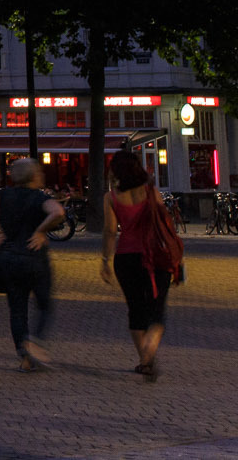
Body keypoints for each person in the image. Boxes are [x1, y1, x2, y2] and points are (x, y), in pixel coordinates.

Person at [0, 156, 64, 370]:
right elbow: (58, 212)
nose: (42, 175)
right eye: (40, 172)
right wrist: (41, 230)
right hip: (34, 257)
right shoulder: (39, 198)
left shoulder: (5, 195)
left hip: (8, 257)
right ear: (33, 176)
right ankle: (33, 343)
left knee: (17, 309)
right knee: (44, 304)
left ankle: (24, 358)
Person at [102, 149, 172, 380]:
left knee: (135, 309)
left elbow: (111, 231)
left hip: (126, 257)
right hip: (154, 257)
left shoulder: (111, 197)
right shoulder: (152, 192)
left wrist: (105, 260)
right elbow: (165, 222)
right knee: (156, 310)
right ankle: (149, 352)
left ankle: (145, 360)